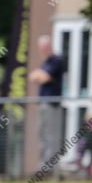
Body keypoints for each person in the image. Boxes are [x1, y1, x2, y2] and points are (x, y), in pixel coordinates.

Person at [29, 35, 64, 167]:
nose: (42, 50)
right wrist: (39, 75)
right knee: (41, 134)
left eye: (44, 47)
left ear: (49, 46)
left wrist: (40, 75)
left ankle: (51, 166)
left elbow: (44, 78)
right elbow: (32, 77)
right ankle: (43, 164)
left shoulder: (56, 60)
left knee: (51, 135)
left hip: (52, 104)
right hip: (43, 104)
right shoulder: (45, 63)